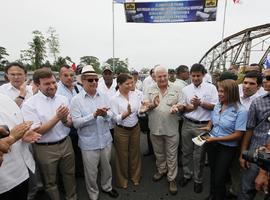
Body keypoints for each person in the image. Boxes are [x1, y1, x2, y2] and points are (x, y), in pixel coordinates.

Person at [21, 68, 77, 200]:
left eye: (53, 82)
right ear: (37, 85)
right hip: (45, 148)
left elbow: (69, 123)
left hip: (66, 143)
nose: (52, 86)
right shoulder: (29, 105)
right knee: (50, 181)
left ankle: (72, 197)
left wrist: (64, 119)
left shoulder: (62, 99)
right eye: (47, 84)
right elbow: (36, 131)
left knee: (70, 175)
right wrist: (57, 117)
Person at [70, 65, 118, 200]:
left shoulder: (103, 95)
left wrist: (105, 114)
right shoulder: (76, 100)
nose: (95, 83)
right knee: (91, 172)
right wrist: (94, 115)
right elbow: (76, 123)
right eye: (91, 80)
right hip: (88, 143)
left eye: (96, 79)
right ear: (83, 81)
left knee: (107, 167)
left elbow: (111, 115)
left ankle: (107, 187)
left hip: (105, 139)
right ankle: (93, 194)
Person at [200, 79, 247, 200]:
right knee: (213, 171)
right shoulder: (218, 105)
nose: (219, 94)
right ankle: (212, 195)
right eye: (219, 91)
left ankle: (218, 197)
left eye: (222, 91)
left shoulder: (241, 111)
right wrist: (209, 126)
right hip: (212, 143)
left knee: (220, 177)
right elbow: (212, 119)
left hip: (227, 148)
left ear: (231, 93)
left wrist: (215, 139)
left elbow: (238, 135)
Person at [143, 66, 185, 195]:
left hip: (171, 128)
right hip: (155, 128)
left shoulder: (177, 88)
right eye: (159, 76)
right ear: (154, 77)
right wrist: (152, 105)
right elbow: (145, 105)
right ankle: (161, 170)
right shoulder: (149, 89)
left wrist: (178, 107)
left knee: (172, 155)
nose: (162, 78)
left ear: (168, 75)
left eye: (164, 75)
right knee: (159, 153)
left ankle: (172, 178)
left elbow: (182, 104)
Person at [180, 63, 218, 193]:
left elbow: (215, 107)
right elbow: (183, 107)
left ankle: (198, 180)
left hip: (203, 126)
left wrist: (200, 103)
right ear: (190, 75)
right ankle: (187, 174)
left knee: (199, 155)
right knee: (185, 152)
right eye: (193, 75)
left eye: (198, 75)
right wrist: (183, 107)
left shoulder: (211, 88)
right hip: (187, 124)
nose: (196, 78)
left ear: (203, 75)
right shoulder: (186, 89)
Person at [0, 93, 41, 200]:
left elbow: (15, 125)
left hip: (22, 170)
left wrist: (23, 135)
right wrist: (11, 138)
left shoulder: (5, 98)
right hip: (4, 180)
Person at [238, 69, 270, 200]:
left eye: (268, 78)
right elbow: (249, 129)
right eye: (265, 78)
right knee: (247, 188)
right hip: (256, 152)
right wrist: (243, 153)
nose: (265, 80)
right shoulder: (258, 102)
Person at [110, 73, 142, 189]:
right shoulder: (114, 99)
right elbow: (114, 118)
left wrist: (144, 109)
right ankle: (122, 180)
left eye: (131, 83)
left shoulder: (136, 95)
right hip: (121, 130)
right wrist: (125, 114)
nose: (130, 85)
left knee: (135, 153)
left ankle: (135, 177)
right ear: (119, 84)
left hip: (135, 128)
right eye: (127, 83)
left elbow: (139, 111)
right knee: (121, 156)